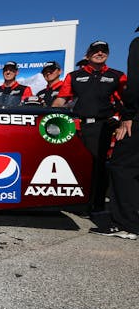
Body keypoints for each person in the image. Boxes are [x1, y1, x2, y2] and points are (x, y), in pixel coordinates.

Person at [52, 41, 127, 216]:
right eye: (95, 51)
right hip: (77, 126)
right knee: (76, 164)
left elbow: (125, 102)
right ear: (88, 54)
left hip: (103, 127)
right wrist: (49, 116)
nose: (100, 53)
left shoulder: (117, 76)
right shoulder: (74, 76)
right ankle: (78, 202)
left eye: (104, 51)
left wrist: (123, 120)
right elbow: (61, 100)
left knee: (98, 166)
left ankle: (98, 204)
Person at [90, 29, 139, 239]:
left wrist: (128, 115)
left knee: (122, 166)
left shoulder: (137, 44)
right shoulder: (76, 76)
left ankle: (127, 223)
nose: (100, 53)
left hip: (133, 119)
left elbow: (135, 84)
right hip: (90, 128)